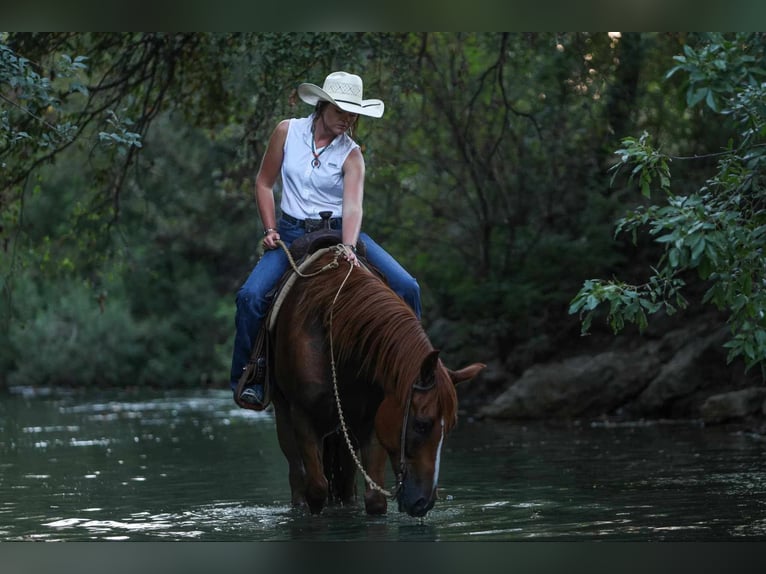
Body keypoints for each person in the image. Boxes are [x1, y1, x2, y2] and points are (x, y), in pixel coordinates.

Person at [231, 71, 422, 408]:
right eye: (341, 112)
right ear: (322, 106)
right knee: (250, 296)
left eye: (353, 114)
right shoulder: (286, 132)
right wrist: (270, 228)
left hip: (338, 231)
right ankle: (251, 377)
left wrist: (349, 246)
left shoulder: (352, 154)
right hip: (290, 234)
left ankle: (416, 375)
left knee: (408, 287)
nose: (347, 120)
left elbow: (353, 205)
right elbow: (263, 182)